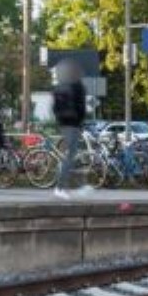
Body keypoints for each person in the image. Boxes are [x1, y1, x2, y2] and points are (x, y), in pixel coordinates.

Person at [51, 60, 91, 200]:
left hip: (67, 123)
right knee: (70, 156)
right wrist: (78, 121)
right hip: (72, 124)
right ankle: (60, 187)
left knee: (73, 155)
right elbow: (80, 107)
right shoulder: (74, 86)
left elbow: (55, 108)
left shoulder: (62, 86)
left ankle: (75, 186)